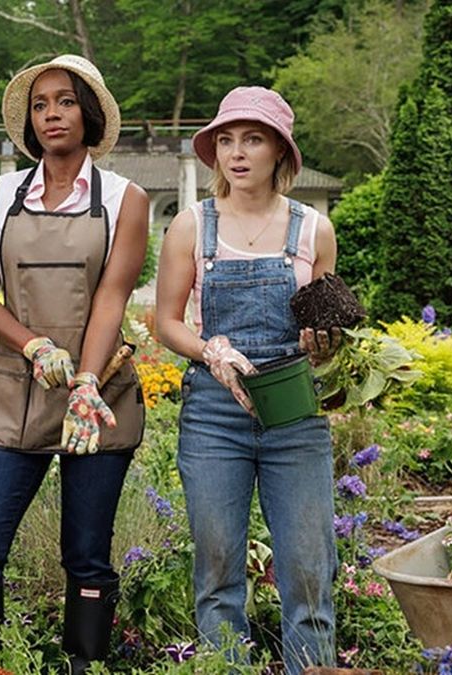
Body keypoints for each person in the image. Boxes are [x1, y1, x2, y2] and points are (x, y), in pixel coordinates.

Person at [0, 55, 148, 674]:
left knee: (86, 554)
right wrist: (33, 345)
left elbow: (112, 295)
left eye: (64, 101)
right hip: (16, 387)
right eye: (40, 104)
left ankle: (84, 664)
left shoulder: (124, 199)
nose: (52, 114)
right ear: (30, 122)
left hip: (98, 388)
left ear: (87, 113)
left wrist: (85, 381)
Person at [155, 86, 340, 674]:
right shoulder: (190, 227)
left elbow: (327, 330)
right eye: (227, 140)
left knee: (309, 574)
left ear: (279, 152)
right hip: (214, 415)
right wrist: (210, 351)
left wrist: (325, 344)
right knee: (217, 572)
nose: (237, 153)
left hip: (293, 414)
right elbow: (164, 322)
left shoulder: (314, 232)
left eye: (252, 139)